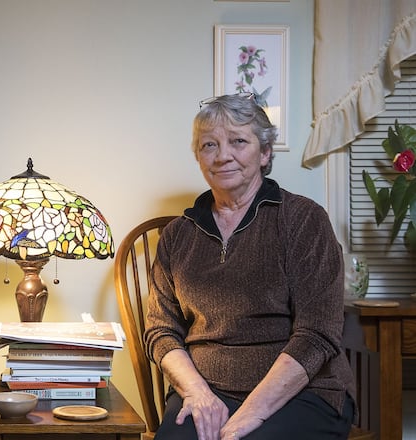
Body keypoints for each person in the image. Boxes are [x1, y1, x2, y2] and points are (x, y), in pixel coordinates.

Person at [143, 94, 355, 440]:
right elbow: (161, 331)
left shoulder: (303, 220)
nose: (223, 155)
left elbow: (317, 334)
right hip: (206, 392)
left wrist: (249, 416)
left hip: (302, 393)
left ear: (265, 153)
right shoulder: (178, 235)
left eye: (238, 141)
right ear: (198, 157)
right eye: (209, 144)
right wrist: (198, 394)